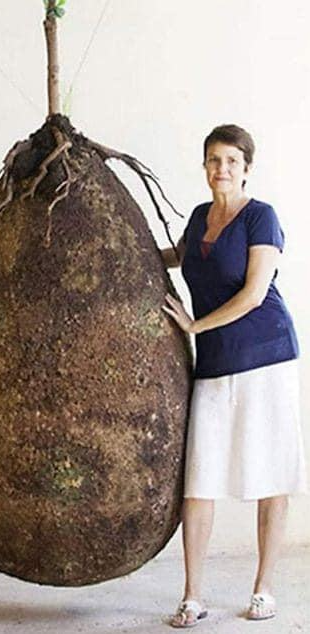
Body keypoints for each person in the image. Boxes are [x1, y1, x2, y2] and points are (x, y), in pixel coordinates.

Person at [160, 124, 306, 628]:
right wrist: (123, 251)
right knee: (200, 478)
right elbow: (178, 257)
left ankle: (264, 588)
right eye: (213, 160)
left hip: (265, 355)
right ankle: (192, 595)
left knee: (270, 474)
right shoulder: (201, 217)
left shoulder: (261, 218)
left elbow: (254, 293)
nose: (221, 169)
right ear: (204, 166)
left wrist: (194, 325)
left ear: (246, 168)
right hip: (216, 363)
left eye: (231, 161)